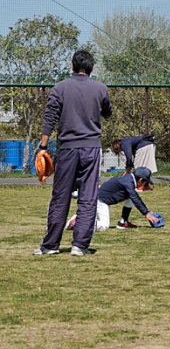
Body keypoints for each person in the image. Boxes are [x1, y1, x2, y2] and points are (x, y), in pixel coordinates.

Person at [33, 50, 113, 256]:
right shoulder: (100, 88)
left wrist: (43, 147)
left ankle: (50, 245)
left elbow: (50, 117)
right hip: (91, 148)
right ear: (92, 68)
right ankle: (80, 245)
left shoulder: (60, 88)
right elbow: (107, 112)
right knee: (88, 197)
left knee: (60, 196)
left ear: (72, 66)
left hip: (67, 148)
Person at [66, 167, 159, 231]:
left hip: (102, 197)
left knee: (130, 198)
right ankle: (80, 221)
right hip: (100, 200)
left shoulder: (129, 179)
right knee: (104, 225)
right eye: (146, 183)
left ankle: (123, 222)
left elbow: (133, 196)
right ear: (140, 179)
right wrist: (146, 213)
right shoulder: (128, 182)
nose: (145, 185)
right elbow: (135, 197)